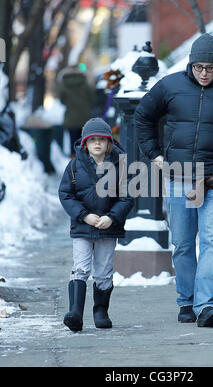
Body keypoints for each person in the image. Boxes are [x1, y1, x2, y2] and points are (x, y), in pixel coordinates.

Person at [135, 33, 213, 327]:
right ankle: (186, 300)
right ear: (191, 64)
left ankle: (207, 306)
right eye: (199, 67)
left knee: (212, 242)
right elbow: (142, 117)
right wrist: (155, 155)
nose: (204, 73)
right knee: (182, 244)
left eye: (210, 68)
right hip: (179, 179)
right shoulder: (170, 86)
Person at [58, 117, 133, 332]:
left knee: (103, 271)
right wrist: (83, 215)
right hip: (82, 226)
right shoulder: (74, 166)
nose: (97, 143)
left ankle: (101, 310)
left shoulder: (120, 167)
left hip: (108, 228)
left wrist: (111, 217)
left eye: (102, 139)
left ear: (109, 143)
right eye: (92, 140)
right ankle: (75, 313)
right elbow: (66, 194)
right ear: (85, 144)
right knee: (80, 267)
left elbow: (127, 197)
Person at [58, 65, 94, 158]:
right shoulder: (84, 82)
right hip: (84, 117)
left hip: (71, 117)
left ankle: (74, 162)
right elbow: (92, 98)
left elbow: (62, 100)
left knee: (72, 142)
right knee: (84, 141)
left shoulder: (64, 83)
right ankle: (84, 160)